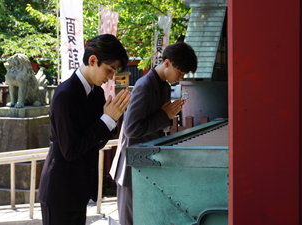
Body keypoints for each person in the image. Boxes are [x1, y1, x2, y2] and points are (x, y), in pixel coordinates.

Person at [38, 34, 131, 225]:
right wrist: (106, 121)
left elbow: (96, 142)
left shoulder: (96, 92)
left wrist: (111, 121)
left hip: (79, 191)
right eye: (109, 70)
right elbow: (71, 150)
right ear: (93, 60)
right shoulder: (65, 95)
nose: (111, 77)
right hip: (59, 192)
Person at [109, 41, 198, 225]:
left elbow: (157, 124)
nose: (180, 78)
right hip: (132, 167)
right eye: (180, 72)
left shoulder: (163, 85)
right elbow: (131, 129)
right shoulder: (145, 85)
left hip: (146, 163)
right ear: (167, 63)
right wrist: (165, 115)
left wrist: (167, 117)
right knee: (131, 220)